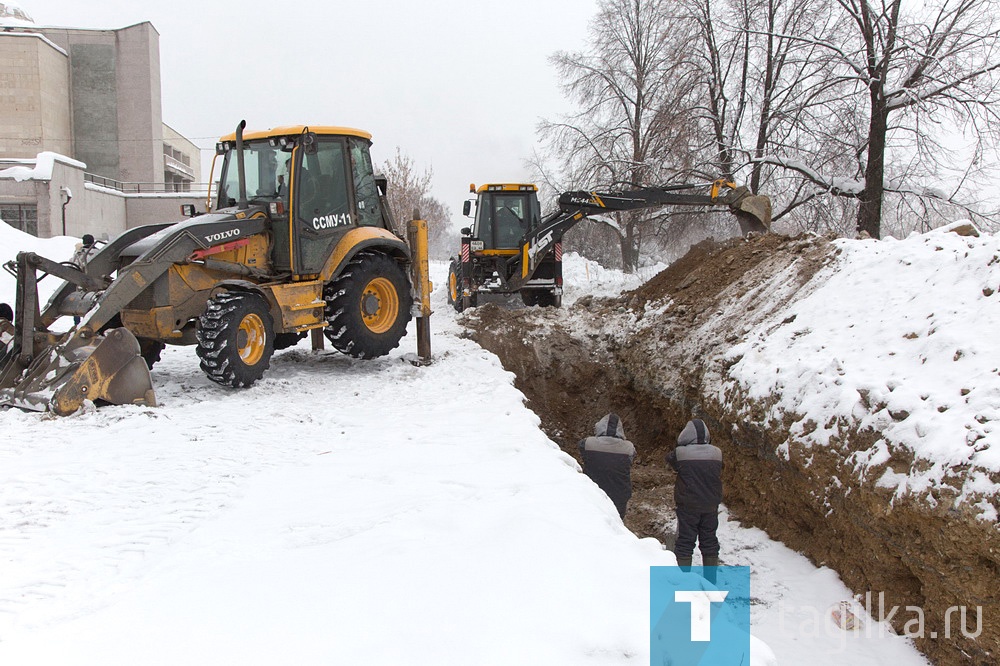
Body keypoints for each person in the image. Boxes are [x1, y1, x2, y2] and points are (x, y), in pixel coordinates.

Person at [667, 418, 723, 572]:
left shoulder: (680, 453)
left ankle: (683, 579)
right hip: (710, 504)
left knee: (685, 541)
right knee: (710, 540)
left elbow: (670, 460)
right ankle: (711, 580)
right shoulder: (717, 453)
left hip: (688, 504)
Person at [578, 413, 636, 519]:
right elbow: (631, 460)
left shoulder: (587, 443)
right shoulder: (629, 448)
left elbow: (581, 450)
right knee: (615, 525)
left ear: (599, 427)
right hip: (619, 494)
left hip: (593, 492)